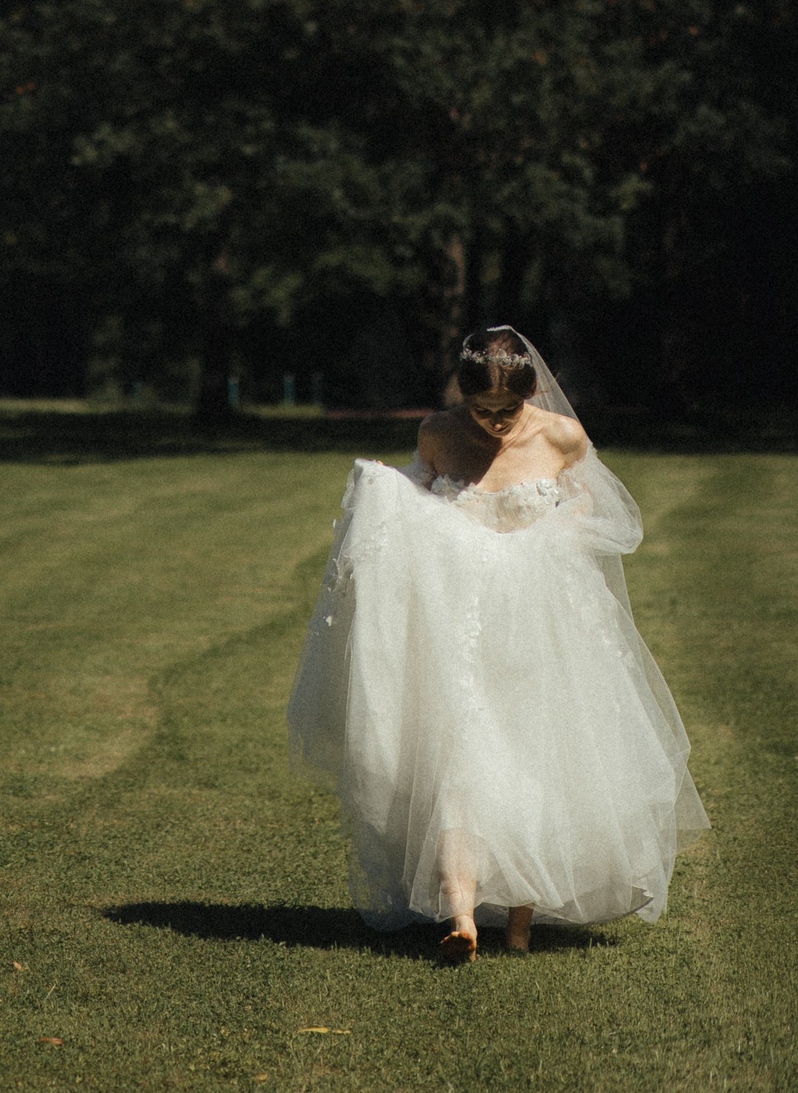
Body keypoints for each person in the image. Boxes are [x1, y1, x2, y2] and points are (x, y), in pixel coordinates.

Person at [286, 327, 708, 963]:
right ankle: (462, 916)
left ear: (530, 397)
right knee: (458, 760)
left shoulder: (561, 437)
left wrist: (546, 541)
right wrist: (384, 492)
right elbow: (414, 518)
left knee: (533, 758)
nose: (493, 425)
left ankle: (518, 923)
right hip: (456, 625)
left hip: (539, 625)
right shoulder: (438, 434)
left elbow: (603, 516)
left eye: (506, 412)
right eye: (481, 411)